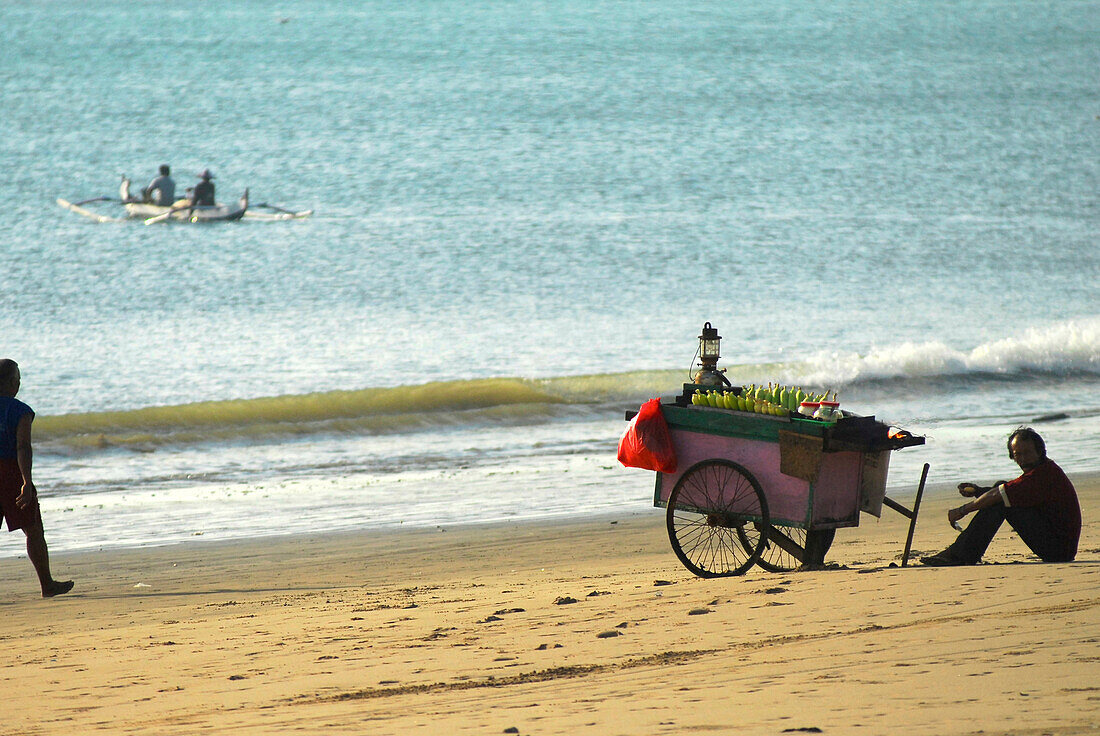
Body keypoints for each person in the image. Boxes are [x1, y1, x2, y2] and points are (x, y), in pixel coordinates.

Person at [922, 427, 1081, 566]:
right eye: (1017, 454)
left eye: (1027, 453)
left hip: (1058, 550)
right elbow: (1011, 491)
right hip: (1056, 544)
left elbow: (1001, 494)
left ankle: (959, 555)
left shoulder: (1043, 475)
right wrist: (978, 491)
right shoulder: (1042, 471)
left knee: (1000, 498)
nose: (1023, 459)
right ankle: (961, 553)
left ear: (1040, 451)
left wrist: (962, 510)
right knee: (1000, 490)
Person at [0, 360, 73, 598]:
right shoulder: (20, 410)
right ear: (12, 382)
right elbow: (23, 447)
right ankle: (47, 584)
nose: (19, 383)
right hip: (11, 472)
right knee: (33, 529)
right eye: (17, 379)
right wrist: (26, 480)